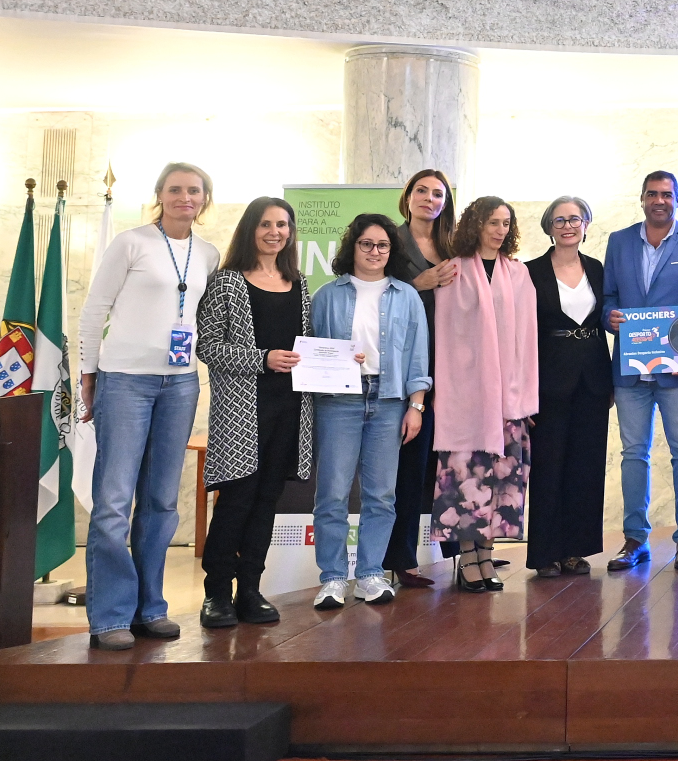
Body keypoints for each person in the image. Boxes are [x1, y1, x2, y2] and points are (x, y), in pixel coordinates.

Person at [78, 162, 220, 651]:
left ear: (204, 199)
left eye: (194, 190)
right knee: (114, 501)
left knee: (160, 501)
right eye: (175, 189)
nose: (185, 197)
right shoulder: (131, 243)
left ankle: (149, 608)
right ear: (160, 194)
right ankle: (110, 616)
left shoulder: (207, 253)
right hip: (124, 380)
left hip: (180, 384)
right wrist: (89, 374)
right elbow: (94, 310)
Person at [194, 196, 313, 629]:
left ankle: (250, 590)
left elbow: (308, 344)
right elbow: (208, 347)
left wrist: (340, 359)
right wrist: (262, 359)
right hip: (241, 412)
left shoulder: (298, 283)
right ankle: (216, 594)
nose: (274, 232)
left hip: (290, 409)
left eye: (282, 225)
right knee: (236, 501)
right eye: (265, 224)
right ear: (250, 229)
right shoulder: (226, 282)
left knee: (266, 502)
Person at [309, 214, 430, 609]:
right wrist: (340, 359)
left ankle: (370, 574)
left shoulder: (406, 296)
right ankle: (332, 578)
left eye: (383, 245)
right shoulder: (327, 295)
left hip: (390, 401)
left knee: (381, 495)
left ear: (391, 251)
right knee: (332, 494)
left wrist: (416, 405)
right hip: (338, 401)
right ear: (353, 247)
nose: (374, 252)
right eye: (366, 244)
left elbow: (418, 357)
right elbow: (313, 352)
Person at [603, 170, 678, 572]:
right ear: (642, 198)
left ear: (677, 199)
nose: (659, 201)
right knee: (633, 453)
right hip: (631, 370)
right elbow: (608, 298)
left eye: (667, 194)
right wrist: (609, 317)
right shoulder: (619, 241)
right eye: (652, 194)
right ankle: (635, 539)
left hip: (677, 370)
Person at [431, 196, 538, 592]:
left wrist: (524, 394)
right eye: (492, 222)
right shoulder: (453, 271)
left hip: (508, 397)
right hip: (466, 396)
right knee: (466, 479)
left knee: (499, 480)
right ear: (475, 224)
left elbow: (527, 337)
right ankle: (467, 559)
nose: (499, 230)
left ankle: (486, 556)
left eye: (506, 223)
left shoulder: (519, 273)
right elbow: (446, 332)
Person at [525, 197, 613, 578]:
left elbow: (605, 322)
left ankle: (576, 550)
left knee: (586, 466)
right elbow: (522, 333)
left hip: (593, 377)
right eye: (559, 220)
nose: (567, 226)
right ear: (549, 227)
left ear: (586, 225)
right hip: (547, 379)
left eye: (574, 219)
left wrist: (611, 381)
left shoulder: (597, 268)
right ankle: (546, 553)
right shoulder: (530, 272)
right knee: (548, 466)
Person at [386, 168, 458, 588]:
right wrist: (419, 283)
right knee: (410, 466)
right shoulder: (390, 242)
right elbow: (378, 297)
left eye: (438, 194)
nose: (429, 199)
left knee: (451, 463)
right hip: (409, 365)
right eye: (422, 191)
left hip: (453, 363)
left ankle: (463, 552)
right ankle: (401, 558)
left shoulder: (454, 246)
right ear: (408, 196)